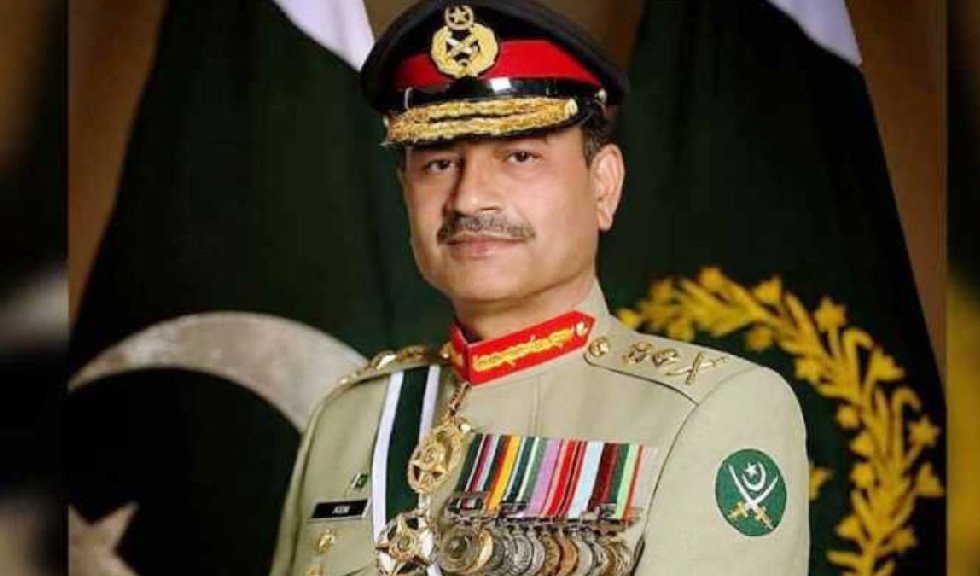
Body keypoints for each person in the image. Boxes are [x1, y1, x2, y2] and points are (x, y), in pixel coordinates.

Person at [269, 1, 809, 575]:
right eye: (440, 163)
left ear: (603, 186)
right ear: (405, 190)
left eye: (520, 156)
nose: (469, 198)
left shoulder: (711, 410)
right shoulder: (351, 417)